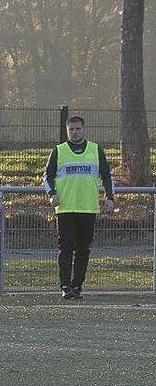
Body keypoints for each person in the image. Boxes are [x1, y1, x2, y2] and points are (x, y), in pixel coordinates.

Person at [43, 115, 115, 300]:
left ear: (84, 130)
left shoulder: (95, 150)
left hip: (88, 208)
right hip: (65, 208)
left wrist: (109, 197)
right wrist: (52, 194)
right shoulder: (59, 151)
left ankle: (77, 286)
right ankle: (65, 286)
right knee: (66, 248)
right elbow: (47, 177)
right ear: (67, 131)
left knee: (83, 250)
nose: (74, 132)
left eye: (78, 129)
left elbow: (107, 175)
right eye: (71, 129)